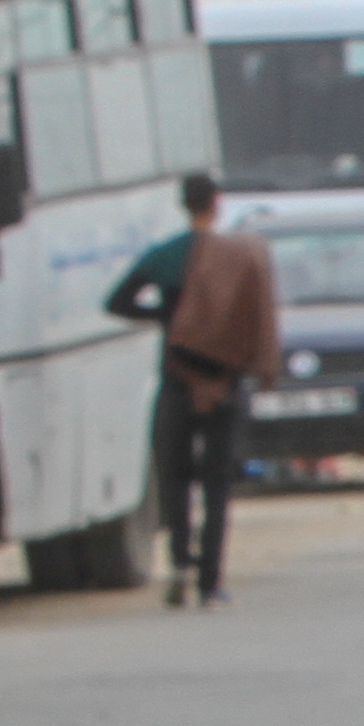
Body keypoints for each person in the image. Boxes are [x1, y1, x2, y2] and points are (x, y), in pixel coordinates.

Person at [106, 173, 277, 607]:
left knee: (175, 476)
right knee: (217, 482)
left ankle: (180, 561)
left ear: (183, 204)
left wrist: (166, 318)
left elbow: (116, 301)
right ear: (216, 203)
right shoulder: (238, 257)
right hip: (223, 382)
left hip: (176, 375)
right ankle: (210, 581)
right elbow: (255, 318)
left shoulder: (164, 255)